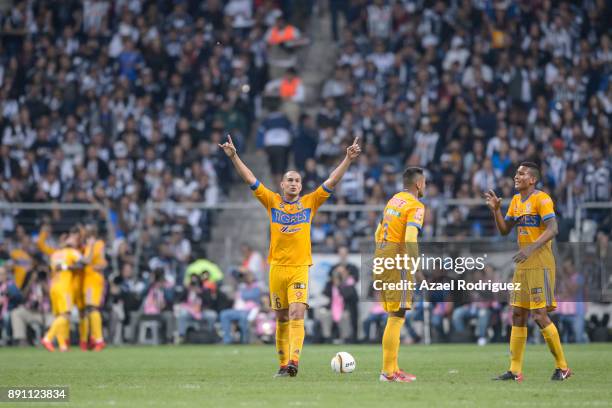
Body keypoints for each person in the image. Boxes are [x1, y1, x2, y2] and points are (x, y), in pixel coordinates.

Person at [218, 134, 361, 377]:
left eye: (297, 181)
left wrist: (347, 159)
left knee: (297, 313)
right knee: (281, 317)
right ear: (282, 185)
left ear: (301, 186)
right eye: (289, 180)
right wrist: (234, 157)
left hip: (298, 268)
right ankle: (283, 365)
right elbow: (250, 179)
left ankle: (294, 361)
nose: (294, 183)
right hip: (276, 269)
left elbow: (332, 181)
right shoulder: (272, 202)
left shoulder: (310, 203)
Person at [486, 162, 571, 382]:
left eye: (521, 174)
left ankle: (563, 367)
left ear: (532, 179)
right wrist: (496, 211)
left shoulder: (542, 199)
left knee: (539, 315)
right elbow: (505, 231)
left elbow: (554, 229)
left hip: (540, 262)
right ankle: (515, 371)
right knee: (517, 314)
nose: (516, 176)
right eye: (516, 173)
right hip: (523, 264)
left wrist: (531, 247)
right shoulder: (515, 201)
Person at [375, 167, 426, 383]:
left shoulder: (394, 200)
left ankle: (393, 368)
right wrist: (415, 265)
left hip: (382, 256)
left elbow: (378, 231)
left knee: (394, 314)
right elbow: (411, 236)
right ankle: (388, 372)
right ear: (419, 184)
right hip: (399, 262)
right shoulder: (416, 205)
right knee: (398, 315)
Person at [40, 230, 83, 352]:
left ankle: (62, 345)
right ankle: (48, 338)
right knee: (66, 315)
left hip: (54, 287)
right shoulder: (72, 252)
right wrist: (68, 266)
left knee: (59, 317)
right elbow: (83, 263)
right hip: (65, 287)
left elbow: (52, 269)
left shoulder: (55, 254)